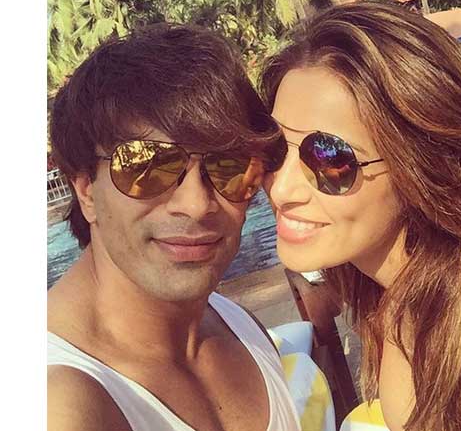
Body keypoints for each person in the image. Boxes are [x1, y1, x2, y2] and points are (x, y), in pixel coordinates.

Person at [260, 2, 461, 431]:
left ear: (424, 165)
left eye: (329, 159)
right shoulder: (399, 299)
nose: (280, 189)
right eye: (272, 149)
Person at [47, 24, 303, 431]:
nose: (197, 205)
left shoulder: (238, 326)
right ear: (86, 191)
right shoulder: (60, 403)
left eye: (231, 167)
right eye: (148, 165)